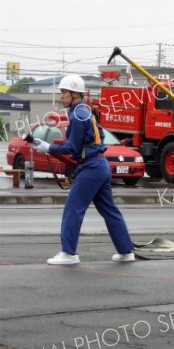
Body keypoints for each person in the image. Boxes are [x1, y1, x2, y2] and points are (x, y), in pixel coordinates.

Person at [33, 75, 135, 265]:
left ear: (74, 94)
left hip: (91, 167)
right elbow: (99, 136)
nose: (61, 97)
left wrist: (49, 148)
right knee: (109, 210)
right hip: (100, 165)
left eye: (64, 92)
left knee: (73, 208)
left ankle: (69, 253)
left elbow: (72, 147)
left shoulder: (77, 114)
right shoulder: (85, 111)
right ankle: (126, 251)